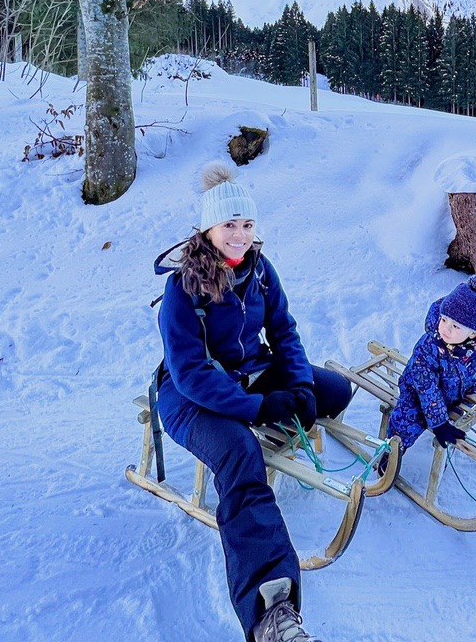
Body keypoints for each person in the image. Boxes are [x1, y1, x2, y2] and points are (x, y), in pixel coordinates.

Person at [154, 162, 350, 642]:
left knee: (335, 390)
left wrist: (300, 389)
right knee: (241, 455)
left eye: (247, 224)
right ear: (208, 228)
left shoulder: (260, 272)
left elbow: (283, 331)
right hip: (188, 396)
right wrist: (261, 409)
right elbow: (192, 372)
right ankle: (270, 612)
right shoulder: (182, 288)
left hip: (248, 374)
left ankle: (298, 402)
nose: (240, 235)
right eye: (229, 225)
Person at [388, 274, 476, 453]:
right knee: (406, 418)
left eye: (455, 326)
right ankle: (390, 452)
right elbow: (426, 387)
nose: (446, 328)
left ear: (472, 333)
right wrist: (439, 423)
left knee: (456, 418)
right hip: (418, 390)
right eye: (444, 320)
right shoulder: (429, 346)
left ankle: (446, 439)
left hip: (458, 392)